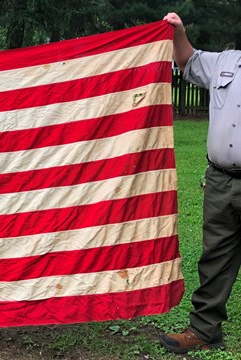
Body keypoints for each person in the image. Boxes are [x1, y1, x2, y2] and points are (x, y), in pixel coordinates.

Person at [160, 12, 241, 354]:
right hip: (221, 180)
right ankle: (205, 330)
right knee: (215, 257)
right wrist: (179, 31)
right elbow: (187, 60)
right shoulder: (225, 62)